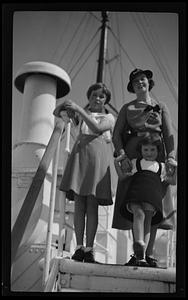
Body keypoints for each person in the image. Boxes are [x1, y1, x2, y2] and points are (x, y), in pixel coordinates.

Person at [112, 68, 177, 267]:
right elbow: (116, 135)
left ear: (149, 82)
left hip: (157, 156)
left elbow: (168, 133)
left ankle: (148, 254)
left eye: (143, 79)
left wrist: (171, 157)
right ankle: (137, 252)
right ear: (132, 87)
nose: (140, 82)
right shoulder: (126, 108)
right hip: (133, 156)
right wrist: (121, 154)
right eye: (136, 81)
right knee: (136, 202)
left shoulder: (161, 106)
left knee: (154, 203)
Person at [53, 82, 116, 263]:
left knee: (92, 205)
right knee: (79, 205)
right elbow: (57, 113)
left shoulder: (109, 117)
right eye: (93, 95)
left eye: (101, 96)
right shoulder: (82, 115)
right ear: (89, 97)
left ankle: (89, 249)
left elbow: (97, 129)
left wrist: (79, 109)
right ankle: (79, 247)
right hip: (80, 158)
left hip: (97, 160)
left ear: (106, 100)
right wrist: (68, 104)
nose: (97, 98)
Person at [114, 134, 177, 266]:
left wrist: (175, 168)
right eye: (146, 150)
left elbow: (172, 181)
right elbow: (122, 177)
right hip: (135, 194)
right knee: (138, 213)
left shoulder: (162, 167)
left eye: (152, 150)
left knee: (148, 221)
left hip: (152, 198)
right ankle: (139, 243)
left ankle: (141, 255)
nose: (149, 153)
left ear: (158, 151)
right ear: (141, 150)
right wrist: (116, 162)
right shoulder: (135, 162)